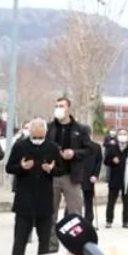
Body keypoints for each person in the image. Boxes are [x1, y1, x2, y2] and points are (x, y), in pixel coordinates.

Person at [5, 118, 62, 255]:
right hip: (24, 200)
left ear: (46, 133)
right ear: (29, 132)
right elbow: (9, 167)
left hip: (44, 200)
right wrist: (21, 167)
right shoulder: (20, 146)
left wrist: (51, 169)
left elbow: (61, 170)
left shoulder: (52, 147)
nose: (37, 140)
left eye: (40, 137)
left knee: (44, 241)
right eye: (34, 137)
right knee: (20, 239)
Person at [46, 97, 94, 226]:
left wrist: (74, 153)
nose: (58, 109)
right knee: (50, 213)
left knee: (75, 214)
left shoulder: (80, 129)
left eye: (61, 106)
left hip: (71, 177)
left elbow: (89, 150)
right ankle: (51, 245)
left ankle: (75, 244)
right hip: (52, 176)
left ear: (68, 109)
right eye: (56, 106)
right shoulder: (49, 128)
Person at [104, 128, 128, 229]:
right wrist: (112, 161)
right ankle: (109, 220)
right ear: (117, 136)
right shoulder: (112, 149)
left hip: (127, 180)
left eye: (124, 134)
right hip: (115, 179)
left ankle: (126, 221)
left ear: (127, 136)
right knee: (111, 201)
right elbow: (106, 161)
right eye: (120, 134)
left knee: (126, 202)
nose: (123, 136)